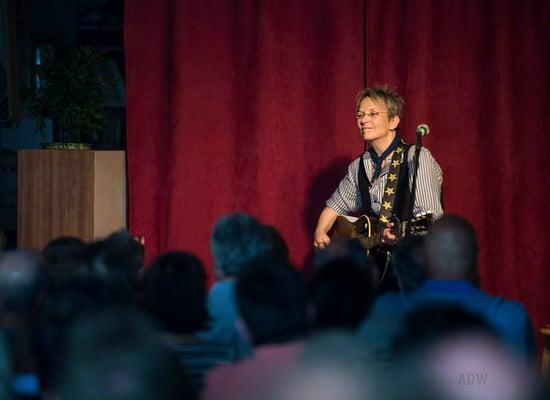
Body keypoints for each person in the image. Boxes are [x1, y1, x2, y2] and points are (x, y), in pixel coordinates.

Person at [313, 85, 443, 250]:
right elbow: (334, 207)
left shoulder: (415, 157)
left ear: (393, 121)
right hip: (377, 269)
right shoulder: (359, 166)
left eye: (373, 114)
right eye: (360, 115)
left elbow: (431, 219)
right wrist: (320, 232)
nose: (363, 120)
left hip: (412, 263)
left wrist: (401, 234)